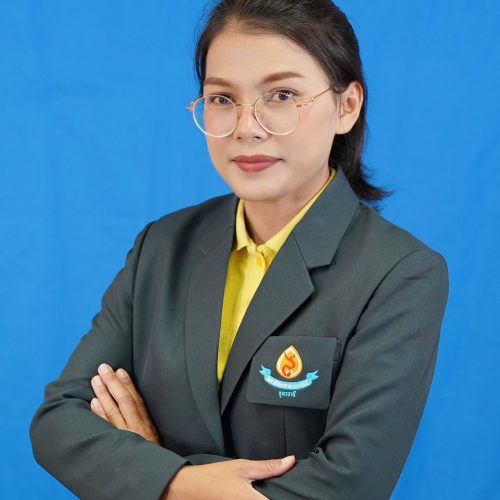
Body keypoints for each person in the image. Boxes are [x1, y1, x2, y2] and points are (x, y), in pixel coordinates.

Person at [30, 1, 449, 499]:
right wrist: (183, 481)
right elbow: (59, 422)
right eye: (223, 98)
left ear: (347, 106)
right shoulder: (161, 247)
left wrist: (152, 471)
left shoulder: (399, 273)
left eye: (282, 95)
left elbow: (347, 485)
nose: (246, 127)